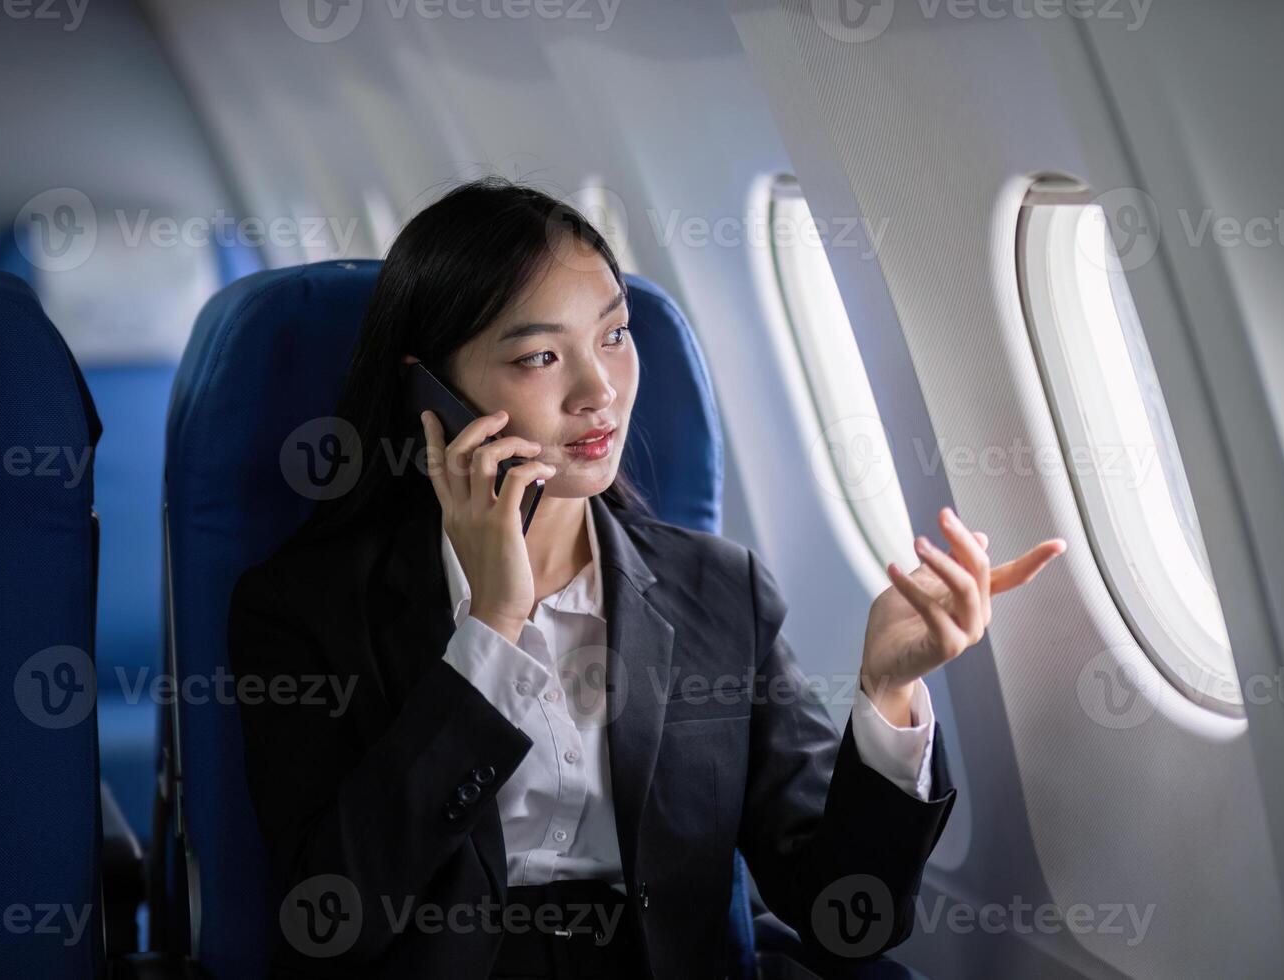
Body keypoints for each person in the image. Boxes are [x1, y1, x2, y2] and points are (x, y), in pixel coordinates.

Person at [227, 176, 1066, 979]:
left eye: (615, 335)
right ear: (431, 388)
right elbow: (332, 925)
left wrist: (886, 692)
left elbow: (848, 922)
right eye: (540, 357)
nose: (600, 391)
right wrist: (491, 630)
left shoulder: (719, 593)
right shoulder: (305, 608)